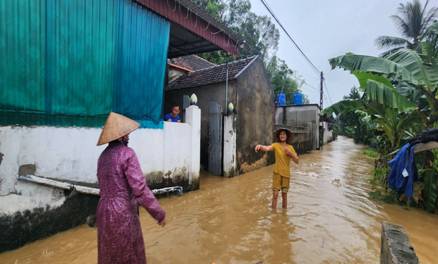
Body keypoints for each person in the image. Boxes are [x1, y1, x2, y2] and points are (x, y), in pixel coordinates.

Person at [96, 112, 166, 264]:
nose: (128, 136)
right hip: (122, 212)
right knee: (129, 253)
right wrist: (158, 213)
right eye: (126, 134)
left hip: (103, 211)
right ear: (120, 136)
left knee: (109, 253)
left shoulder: (102, 157)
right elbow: (139, 188)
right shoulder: (127, 154)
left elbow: (103, 186)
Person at [255, 128, 299, 209]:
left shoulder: (290, 147)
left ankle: (284, 214)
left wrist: (290, 154)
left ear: (287, 136)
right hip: (277, 173)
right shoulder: (276, 145)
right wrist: (260, 146)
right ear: (279, 136)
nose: (282, 135)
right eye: (281, 134)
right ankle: (273, 215)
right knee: (275, 195)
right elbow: (267, 148)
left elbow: (297, 161)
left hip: (286, 174)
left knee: (284, 195)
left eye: (284, 134)